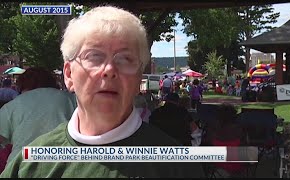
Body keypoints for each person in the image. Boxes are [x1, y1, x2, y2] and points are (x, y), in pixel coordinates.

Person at [0, 6, 205, 178]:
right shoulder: (30, 165)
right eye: (94, 56)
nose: (109, 70)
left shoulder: (179, 166)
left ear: (138, 80)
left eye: (125, 59)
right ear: (69, 74)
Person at [0, 67, 77, 164]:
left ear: (21, 86)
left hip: (21, 166)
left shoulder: (12, 106)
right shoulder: (72, 100)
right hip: (67, 162)